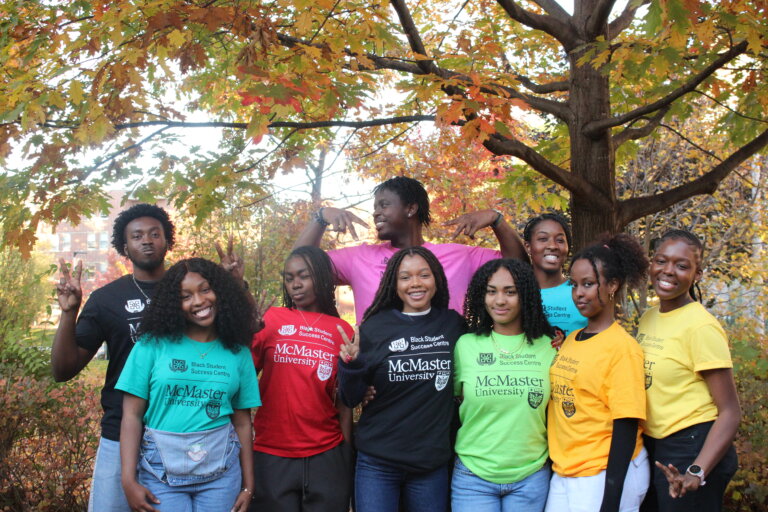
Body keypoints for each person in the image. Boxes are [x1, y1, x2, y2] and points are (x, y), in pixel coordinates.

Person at [51, 203, 175, 512]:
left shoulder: (190, 292)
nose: (146, 240)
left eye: (154, 234)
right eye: (137, 236)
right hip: (120, 432)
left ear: (167, 241)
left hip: (181, 432)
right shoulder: (106, 300)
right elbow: (63, 369)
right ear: (125, 246)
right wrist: (69, 313)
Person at [116, 258, 261, 512]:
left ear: (220, 291)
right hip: (160, 475)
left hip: (222, 476)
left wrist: (248, 486)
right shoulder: (151, 346)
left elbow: (242, 422)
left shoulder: (238, 352)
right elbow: (131, 415)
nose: (199, 301)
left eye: (205, 289)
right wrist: (128, 480)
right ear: (173, 303)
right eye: (185, 296)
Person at [293, 176, 526, 322]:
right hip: (382, 386)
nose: (376, 213)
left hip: (443, 385)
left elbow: (518, 268)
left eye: (384, 205)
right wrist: (321, 217)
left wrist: (497, 220)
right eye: (375, 207)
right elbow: (300, 267)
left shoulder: (459, 256)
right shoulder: (360, 257)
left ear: (411, 209)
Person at [337, 246, 465, 512]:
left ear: (437, 279)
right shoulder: (374, 328)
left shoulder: (453, 325)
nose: (415, 283)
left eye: (423, 275)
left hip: (430, 464)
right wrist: (351, 365)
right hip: (378, 463)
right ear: (394, 284)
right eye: (405, 277)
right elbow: (351, 397)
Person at [637, 230, 740, 512]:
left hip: (691, 446)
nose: (668, 271)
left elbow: (730, 412)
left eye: (682, 266)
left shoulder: (701, 327)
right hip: (655, 445)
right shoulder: (649, 318)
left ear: (698, 274)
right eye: (661, 261)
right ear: (651, 264)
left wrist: (698, 470)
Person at [546, 234, 650, 512]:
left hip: (603, 473)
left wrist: (611, 501)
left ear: (612, 285)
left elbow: (626, 425)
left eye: (589, 284)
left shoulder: (622, 348)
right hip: (566, 469)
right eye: (574, 285)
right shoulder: (572, 339)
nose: (579, 293)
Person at [249, 246, 354, 511]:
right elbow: (243, 376)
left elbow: (344, 401)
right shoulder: (271, 319)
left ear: (320, 276)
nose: (295, 284)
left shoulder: (342, 330)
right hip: (272, 453)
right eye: (289, 277)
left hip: (326, 453)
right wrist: (245, 334)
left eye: (303, 276)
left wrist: (346, 454)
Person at [452, 259, 557, 511]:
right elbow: (454, 398)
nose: (499, 301)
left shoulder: (549, 347)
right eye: (491, 291)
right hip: (472, 476)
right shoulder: (465, 345)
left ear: (526, 296)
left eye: (510, 292)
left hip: (531, 476)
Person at [523, 212, 587, 336]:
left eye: (560, 240)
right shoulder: (516, 293)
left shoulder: (582, 293)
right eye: (543, 239)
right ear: (528, 247)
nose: (552, 246)